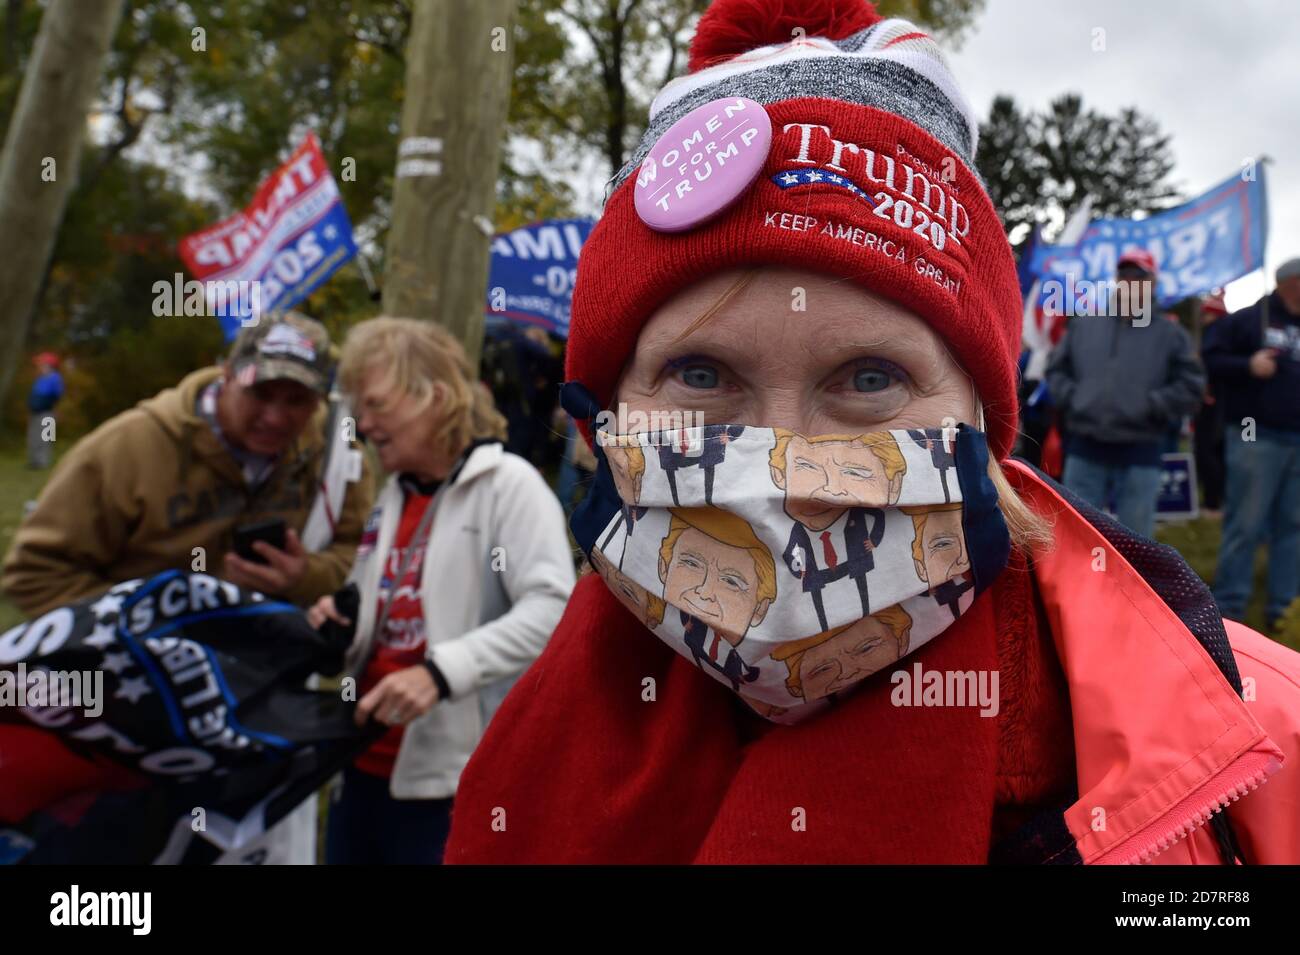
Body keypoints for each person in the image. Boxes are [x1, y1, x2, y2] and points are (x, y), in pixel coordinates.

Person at [442, 0, 1300, 865]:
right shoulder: (525, 766)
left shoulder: (1264, 746)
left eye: (869, 378)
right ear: (605, 415)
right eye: (701, 375)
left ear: (981, 417)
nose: (788, 473)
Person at [308, 316, 575, 865]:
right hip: (360, 764)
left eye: (376, 404)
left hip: (452, 784)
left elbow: (553, 609)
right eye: (359, 407)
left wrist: (440, 672)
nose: (363, 423)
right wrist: (340, 616)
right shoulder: (393, 496)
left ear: (433, 396)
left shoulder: (509, 485)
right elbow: (378, 604)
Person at [2, 313, 374, 616]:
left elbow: (361, 558)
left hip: (266, 672)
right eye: (260, 394)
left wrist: (304, 576)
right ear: (227, 376)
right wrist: (149, 624)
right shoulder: (127, 449)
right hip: (134, 676)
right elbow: (35, 573)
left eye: (297, 400)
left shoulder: (336, 456)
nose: (276, 418)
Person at [1045, 249, 1205, 537]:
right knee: (1077, 536)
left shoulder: (1170, 334)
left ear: (1153, 282)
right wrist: (1076, 399)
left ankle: (1129, 584)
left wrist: (1151, 405)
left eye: (1139, 275)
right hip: (1085, 446)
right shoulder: (1085, 324)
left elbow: (1192, 384)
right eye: (1125, 274)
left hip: (1140, 450)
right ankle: (1080, 585)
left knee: (1136, 544)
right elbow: (1056, 370)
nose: (1131, 281)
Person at [1202, 257, 1300, 625]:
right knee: (1247, 520)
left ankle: (1285, 608)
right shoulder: (1249, 320)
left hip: (1297, 436)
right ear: (1292, 282)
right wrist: (1247, 366)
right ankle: (1229, 608)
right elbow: (1210, 359)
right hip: (1253, 432)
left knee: (1293, 525)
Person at [1193, 292, 1229, 514]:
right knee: (1218, 451)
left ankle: (1213, 500)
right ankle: (1217, 497)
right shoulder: (1227, 334)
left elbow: (1209, 366)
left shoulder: (1215, 335)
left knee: (1207, 451)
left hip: (1212, 402)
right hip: (1223, 403)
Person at [25, 352, 64, 470]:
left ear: (49, 365)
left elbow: (57, 396)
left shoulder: (55, 378)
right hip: (35, 413)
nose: (39, 366)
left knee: (46, 437)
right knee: (33, 437)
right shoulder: (40, 379)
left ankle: (43, 462)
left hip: (47, 413)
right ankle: (34, 461)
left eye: (42, 364)